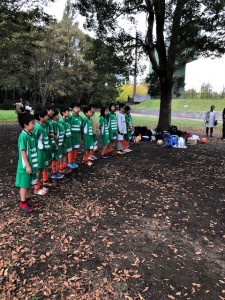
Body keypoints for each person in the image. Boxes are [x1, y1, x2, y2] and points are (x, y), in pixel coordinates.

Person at [15, 113, 39, 213]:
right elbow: (23, 152)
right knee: (24, 185)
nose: (34, 125)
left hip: (32, 164)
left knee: (29, 184)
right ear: (25, 125)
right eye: (32, 123)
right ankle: (22, 202)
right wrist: (28, 166)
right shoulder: (23, 136)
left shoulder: (31, 134)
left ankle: (28, 200)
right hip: (25, 167)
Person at [33, 108, 50, 195]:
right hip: (39, 152)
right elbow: (33, 140)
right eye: (46, 115)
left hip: (43, 151)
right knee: (39, 170)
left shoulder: (43, 126)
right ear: (40, 117)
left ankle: (40, 184)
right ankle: (36, 188)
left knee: (42, 168)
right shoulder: (37, 127)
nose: (48, 116)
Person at [68, 102, 83, 168]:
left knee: (75, 149)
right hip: (71, 136)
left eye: (78, 108)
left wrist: (80, 136)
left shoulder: (81, 118)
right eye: (76, 108)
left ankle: (73, 161)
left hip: (77, 136)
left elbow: (81, 128)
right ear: (72, 109)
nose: (77, 109)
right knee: (70, 149)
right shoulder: (70, 117)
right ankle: (69, 162)